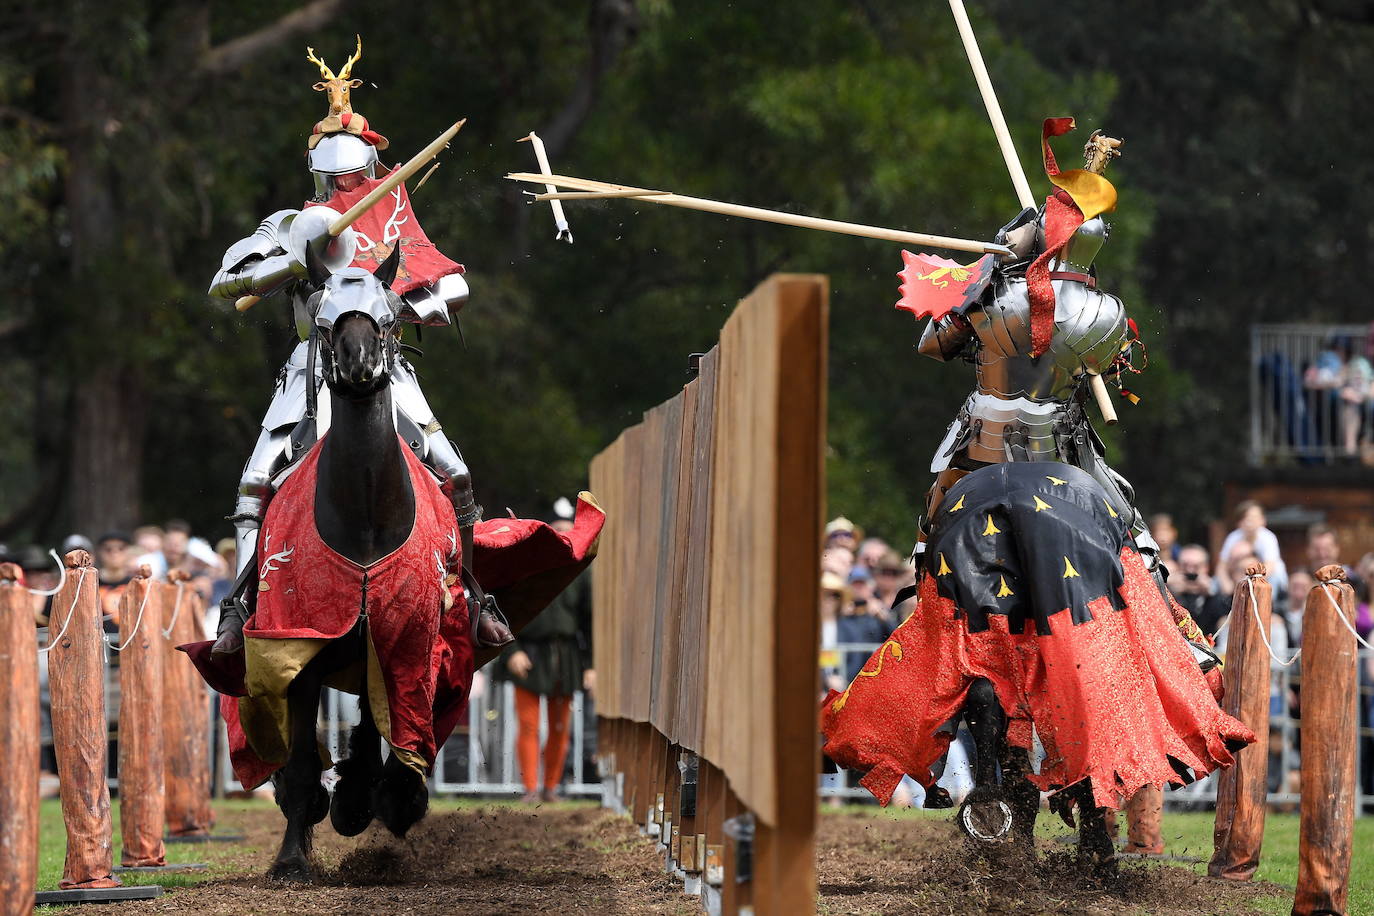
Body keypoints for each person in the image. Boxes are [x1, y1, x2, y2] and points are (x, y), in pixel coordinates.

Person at [206, 38, 507, 657]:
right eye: (340, 176)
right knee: (254, 482)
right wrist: (282, 265)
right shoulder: (293, 224)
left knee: (454, 471)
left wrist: (402, 304)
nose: (351, 185)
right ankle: (241, 606)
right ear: (317, 173)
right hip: (311, 365)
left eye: (359, 175)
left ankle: (473, 596)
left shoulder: (392, 214)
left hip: (385, 364)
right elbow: (223, 283)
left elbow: (451, 283)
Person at [494, 505, 592, 803]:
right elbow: (501, 611)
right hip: (529, 651)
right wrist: (512, 650)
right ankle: (531, 789)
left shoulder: (581, 571)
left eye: (567, 530)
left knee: (561, 727)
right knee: (528, 724)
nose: (563, 536)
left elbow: (589, 621)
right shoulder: (526, 567)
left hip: (566, 654)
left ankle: (550, 788)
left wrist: (591, 665)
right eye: (557, 530)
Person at [1219, 500, 1288, 595]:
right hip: (1240, 577)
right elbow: (1222, 566)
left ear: (1263, 520)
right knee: (1215, 583)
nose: (1249, 522)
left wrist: (1249, 583)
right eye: (1245, 518)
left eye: (1254, 518)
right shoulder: (1233, 537)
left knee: (1271, 583)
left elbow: (1269, 567)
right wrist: (1225, 582)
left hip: (1268, 577)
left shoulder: (1268, 537)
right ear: (1239, 522)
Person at [1168, 544, 1230, 637]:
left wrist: (1211, 594)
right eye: (1185, 566)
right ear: (1178, 566)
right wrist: (1169, 592)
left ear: (1206, 568)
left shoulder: (1216, 596)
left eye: (1196, 567)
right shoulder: (1167, 596)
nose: (1190, 571)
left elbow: (1227, 618)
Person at [95, 531, 134, 633]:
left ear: (128, 552)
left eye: (121, 548)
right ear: (99, 552)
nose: (114, 553)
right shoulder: (90, 585)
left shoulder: (137, 585)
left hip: (130, 645)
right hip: (99, 646)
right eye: (108, 549)